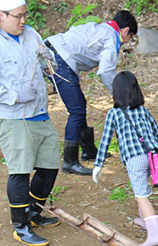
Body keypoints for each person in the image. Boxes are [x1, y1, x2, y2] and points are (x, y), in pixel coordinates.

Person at [0, 0, 62, 246]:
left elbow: (50, 68)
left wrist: (49, 60)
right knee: (20, 171)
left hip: (39, 112)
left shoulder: (32, 33)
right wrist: (14, 96)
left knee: (49, 166)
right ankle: (20, 225)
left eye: (25, 15)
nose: (23, 20)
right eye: (18, 16)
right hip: (12, 116)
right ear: (1, 16)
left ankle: (34, 213)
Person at [44, 10, 137, 175]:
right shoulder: (111, 39)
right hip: (58, 59)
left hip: (50, 50)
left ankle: (88, 150)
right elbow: (106, 71)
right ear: (125, 31)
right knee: (77, 110)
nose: (127, 42)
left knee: (79, 105)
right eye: (131, 37)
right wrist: (118, 96)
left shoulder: (101, 28)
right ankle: (70, 162)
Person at [92, 71, 158, 246]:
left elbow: (105, 141)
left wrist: (98, 165)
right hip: (153, 156)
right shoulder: (143, 110)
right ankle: (144, 220)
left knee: (141, 195)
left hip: (135, 159)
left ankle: (155, 234)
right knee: (141, 189)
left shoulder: (114, 113)